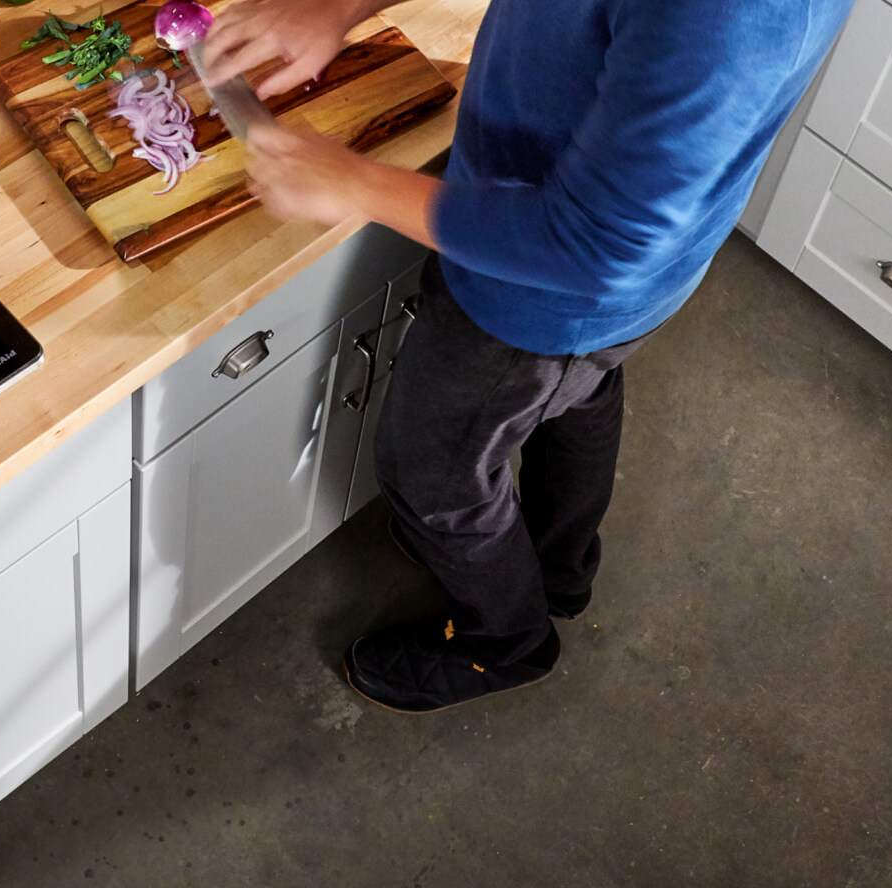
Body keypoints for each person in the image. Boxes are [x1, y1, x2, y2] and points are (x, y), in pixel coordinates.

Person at [198, 0, 849, 712]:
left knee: (432, 473)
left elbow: (596, 246)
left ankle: (506, 643)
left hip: (542, 283)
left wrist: (354, 184)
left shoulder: (731, 14)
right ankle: (560, 570)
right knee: (577, 392)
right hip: (588, 255)